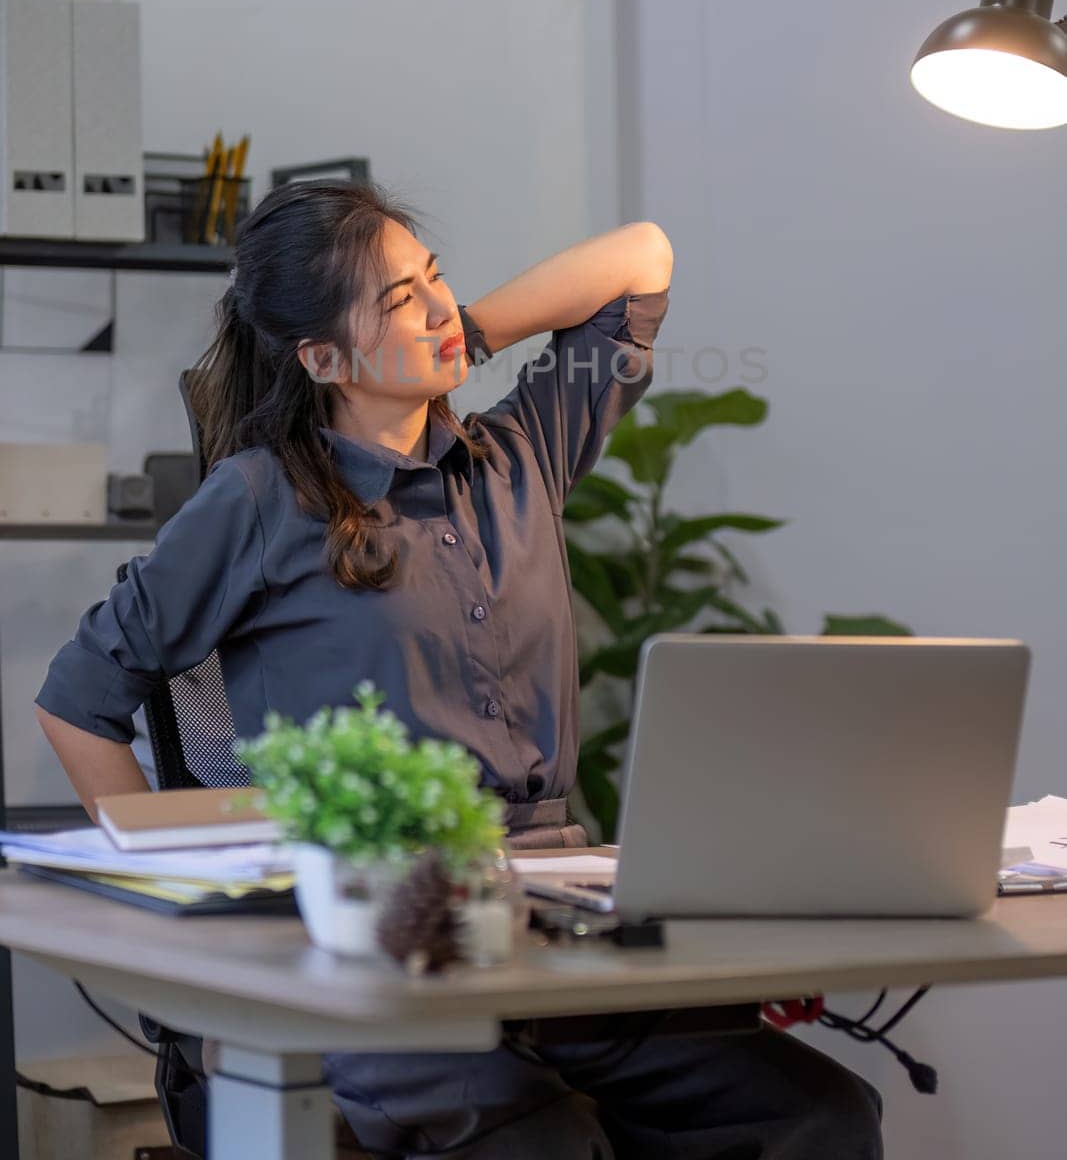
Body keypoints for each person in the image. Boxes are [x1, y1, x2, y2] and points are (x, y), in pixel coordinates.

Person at [35, 178, 883, 1158]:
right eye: (399, 301)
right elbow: (79, 697)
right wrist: (178, 891)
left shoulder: (519, 452)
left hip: (547, 919)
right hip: (381, 938)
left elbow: (641, 257)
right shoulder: (258, 498)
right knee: (544, 1144)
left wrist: (458, 334)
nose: (437, 305)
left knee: (814, 1114)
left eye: (433, 277)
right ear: (321, 356)